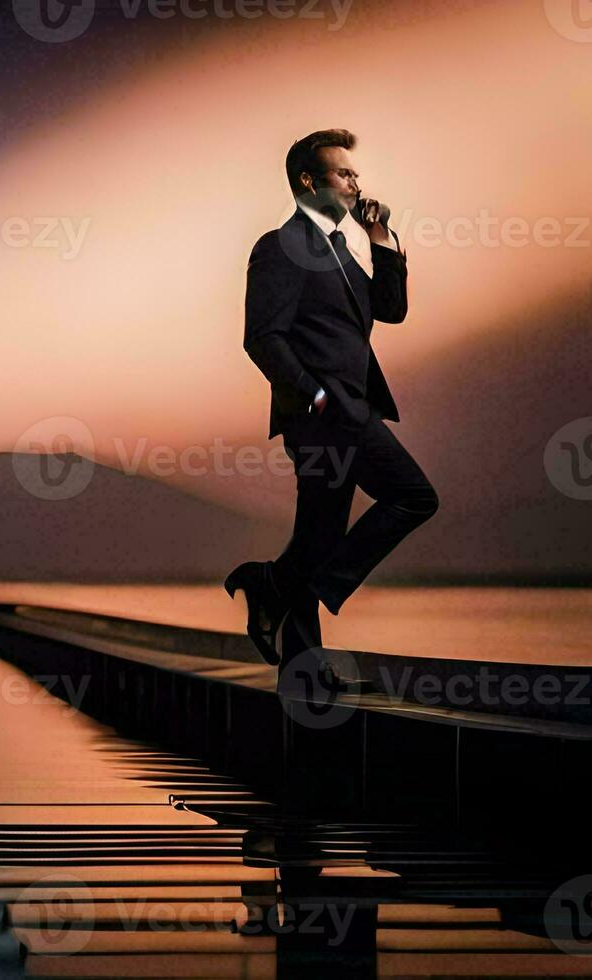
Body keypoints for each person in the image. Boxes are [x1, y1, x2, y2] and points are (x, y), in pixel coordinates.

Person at [225, 129, 439, 666]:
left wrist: (382, 238)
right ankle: (287, 584)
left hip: (352, 411)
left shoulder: (344, 249)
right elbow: (263, 338)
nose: (355, 181)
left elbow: (391, 310)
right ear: (308, 180)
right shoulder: (279, 247)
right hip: (323, 416)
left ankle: (301, 659)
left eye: (354, 173)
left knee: (317, 539)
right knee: (414, 496)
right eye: (343, 173)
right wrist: (315, 394)